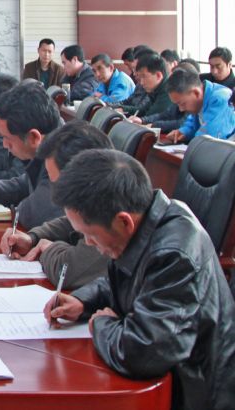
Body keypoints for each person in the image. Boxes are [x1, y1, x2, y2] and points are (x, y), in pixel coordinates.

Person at [44, 149, 235, 410]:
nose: (88, 243)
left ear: (124, 221)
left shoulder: (174, 254)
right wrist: (83, 301)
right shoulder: (145, 222)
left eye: (90, 235)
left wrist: (102, 324)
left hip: (194, 395)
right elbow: (130, 281)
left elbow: (144, 353)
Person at [0, 120, 112, 290]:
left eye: (58, 185)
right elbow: (70, 222)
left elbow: (69, 271)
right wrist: (33, 238)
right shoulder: (98, 198)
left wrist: (47, 249)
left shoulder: (110, 214)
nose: (56, 196)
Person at [0, 81, 62, 229]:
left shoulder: (63, 157)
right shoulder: (50, 141)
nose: (4, 144)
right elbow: (25, 183)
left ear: (33, 137)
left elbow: (33, 213)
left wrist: (15, 210)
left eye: (7, 138)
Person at [162, 67, 235, 143]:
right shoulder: (199, 101)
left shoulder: (221, 98)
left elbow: (209, 138)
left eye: (182, 104)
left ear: (196, 93)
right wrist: (183, 132)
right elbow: (192, 123)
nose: (181, 109)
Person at [123, 53, 174, 120]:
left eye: (144, 77)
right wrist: (122, 109)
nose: (141, 83)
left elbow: (152, 116)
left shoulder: (168, 91)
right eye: (140, 77)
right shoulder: (156, 90)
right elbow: (143, 110)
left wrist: (141, 120)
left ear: (158, 75)